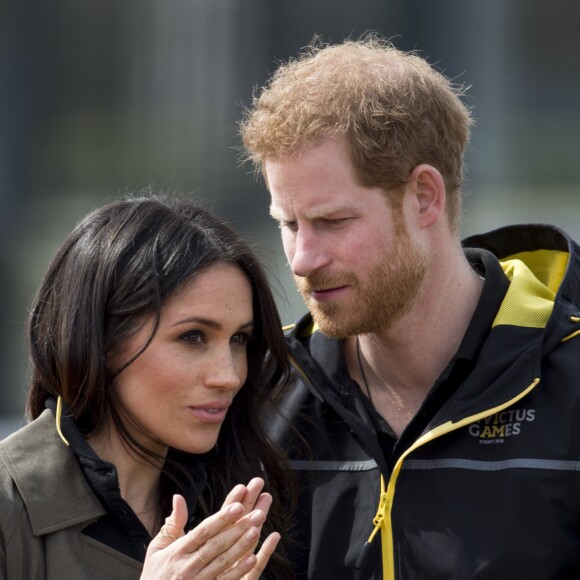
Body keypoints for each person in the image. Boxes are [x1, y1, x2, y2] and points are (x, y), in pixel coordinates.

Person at [239, 34, 580, 579]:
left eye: (332, 221)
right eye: (288, 224)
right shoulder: (255, 394)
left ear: (424, 196)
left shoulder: (569, 384)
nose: (301, 260)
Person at [0, 194, 296, 579]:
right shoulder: (10, 504)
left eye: (239, 339)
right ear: (102, 340)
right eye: (193, 337)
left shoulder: (242, 502)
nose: (229, 376)